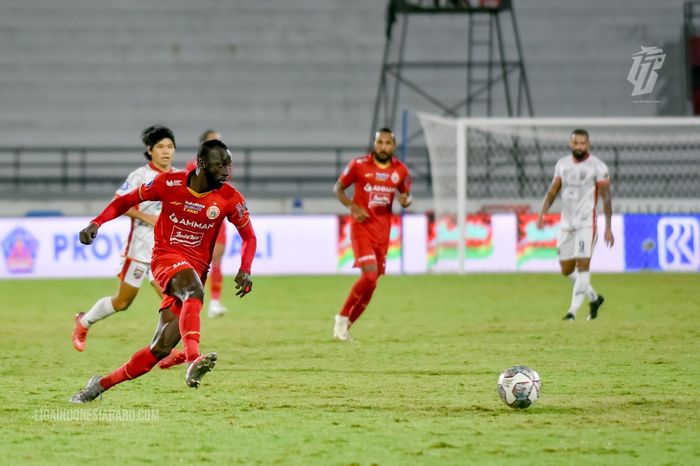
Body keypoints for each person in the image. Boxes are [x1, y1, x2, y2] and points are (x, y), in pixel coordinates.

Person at [70, 139, 257, 403]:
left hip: (195, 270)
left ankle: (98, 385)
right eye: (221, 164)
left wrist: (245, 269)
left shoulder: (230, 198)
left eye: (229, 164)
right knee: (194, 290)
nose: (227, 170)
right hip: (166, 259)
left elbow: (249, 237)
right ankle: (193, 360)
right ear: (202, 164)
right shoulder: (170, 183)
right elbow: (126, 201)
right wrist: (97, 222)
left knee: (158, 350)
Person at [71, 125, 176, 352]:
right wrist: (147, 217)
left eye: (170, 146)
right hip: (139, 250)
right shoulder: (140, 176)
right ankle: (84, 321)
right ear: (150, 150)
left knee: (173, 302)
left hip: (165, 253)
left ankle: (171, 350)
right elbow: (120, 204)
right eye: (160, 147)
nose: (166, 151)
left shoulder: (178, 178)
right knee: (122, 302)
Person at [332, 128, 412, 341]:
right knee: (368, 276)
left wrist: (407, 201)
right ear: (374, 144)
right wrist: (353, 207)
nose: (383, 146)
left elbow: (406, 195)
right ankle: (341, 317)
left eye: (388, 143)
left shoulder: (401, 171)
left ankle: (347, 327)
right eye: (380, 142)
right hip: (361, 229)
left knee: (373, 283)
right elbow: (338, 188)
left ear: (393, 146)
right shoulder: (358, 165)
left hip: (383, 233)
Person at [536, 128, 614, 321]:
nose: (579, 146)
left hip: (586, 224)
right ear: (571, 144)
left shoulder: (598, 167)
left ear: (588, 144)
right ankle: (595, 298)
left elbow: (606, 199)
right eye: (576, 143)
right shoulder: (562, 164)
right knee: (566, 269)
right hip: (566, 224)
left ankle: (572, 312)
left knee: (582, 265)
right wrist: (542, 212)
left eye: (582, 143)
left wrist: (608, 227)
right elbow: (553, 191)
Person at [185, 129, 228, 318]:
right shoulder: (191, 166)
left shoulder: (225, 163)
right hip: (198, 219)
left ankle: (215, 302)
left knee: (217, 257)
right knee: (195, 262)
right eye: (214, 141)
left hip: (217, 215)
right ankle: (192, 300)